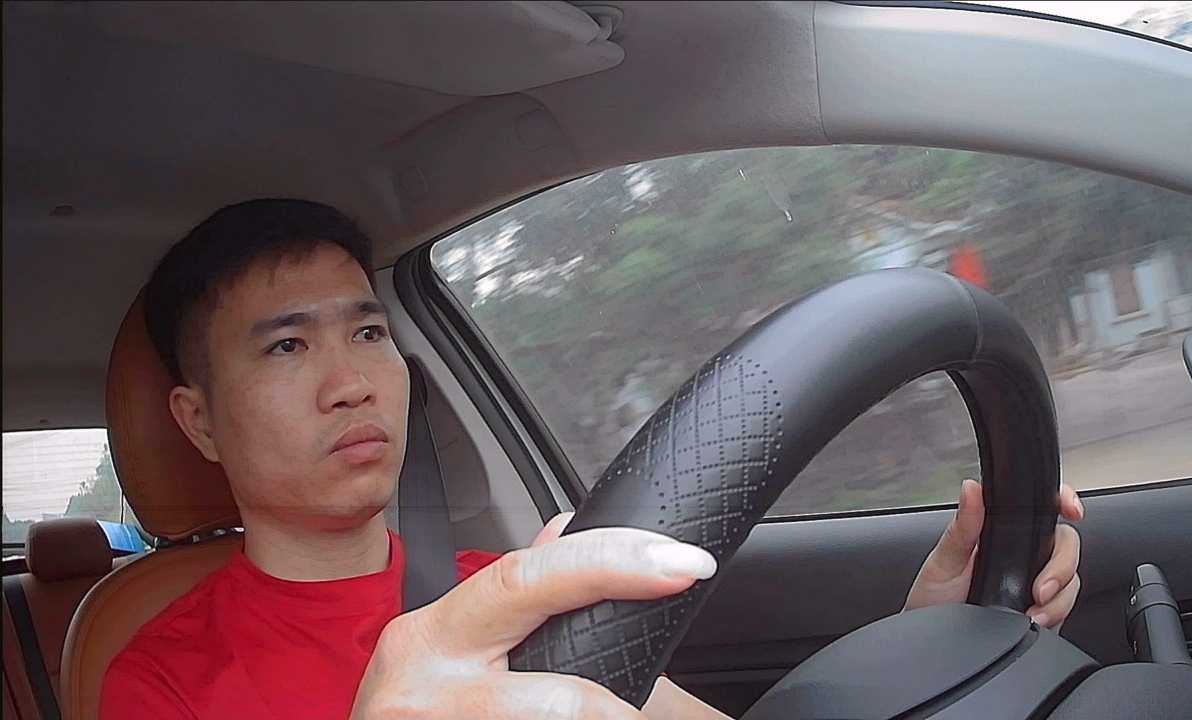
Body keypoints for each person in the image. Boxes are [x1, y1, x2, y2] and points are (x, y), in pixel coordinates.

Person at [100, 199, 1085, 719]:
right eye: (286, 346)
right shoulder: (156, 679)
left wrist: (925, 636)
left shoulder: (507, 590)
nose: (350, 382)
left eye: (367, 333)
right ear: (200, 423)